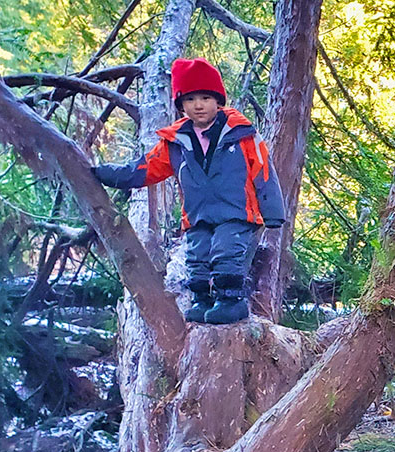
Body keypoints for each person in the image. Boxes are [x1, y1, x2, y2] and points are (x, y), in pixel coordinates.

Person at [93, 58, 285, 324]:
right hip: (198, 216)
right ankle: (202, 300)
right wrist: (106, 174)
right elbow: (144, 169)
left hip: (237, 212)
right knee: (197, 257)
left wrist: (273, 211)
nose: (198, 105)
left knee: (226, 252)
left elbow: (263, 170)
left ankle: (231, 301)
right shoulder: (175, 143)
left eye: (206, 97)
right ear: (181, 105)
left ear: (218, 100)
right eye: (190, 99)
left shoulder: (241, 134)